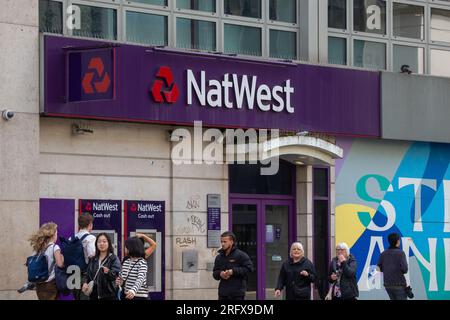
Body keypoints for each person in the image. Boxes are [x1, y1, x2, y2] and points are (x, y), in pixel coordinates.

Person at [212, 231, 254, 300]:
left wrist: (233, 271)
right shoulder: (219, 257)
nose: (222, 244)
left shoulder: (241, 255)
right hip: (223, 294)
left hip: (237, 294)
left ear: (231, 242)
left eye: (225, 242)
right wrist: (220, 274)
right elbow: (214, 273)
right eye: (221, 242)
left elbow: (249, 269)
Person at [28, 222, 64, 300]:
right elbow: (60, 264)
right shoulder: (54, 247)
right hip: (50, 284)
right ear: (53, 235)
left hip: (39, 284)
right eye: (56, 233)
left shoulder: (38, 248)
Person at [82, 233, 121, 300]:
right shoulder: (93, 259)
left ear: (109, 243)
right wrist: (85, 283)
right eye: (99, 242)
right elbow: (88, 275)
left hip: (109, 295)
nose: (101, 244)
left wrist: (108, 272)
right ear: (96, 244)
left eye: (104, 241)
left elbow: (117, 275)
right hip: (93, 295)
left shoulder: (113, 258)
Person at [71, 213, 96, 300]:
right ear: (90, 224)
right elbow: (92, 256)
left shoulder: (72, 238)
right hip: (84, 275)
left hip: (72, 275)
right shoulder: (90, 238)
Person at [377, 233, 409, 300]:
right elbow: (405, 269)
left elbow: (378, 268)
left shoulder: (383, 254)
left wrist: (387, 269)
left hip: (387, 284)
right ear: (398, 241)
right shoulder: (401, 253)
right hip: (399, 283)